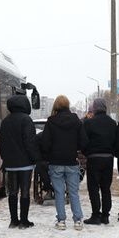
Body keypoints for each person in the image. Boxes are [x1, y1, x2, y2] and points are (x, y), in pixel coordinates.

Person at [40, 95, 88, 230]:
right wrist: (75, 147)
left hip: (55, 162)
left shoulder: (51, 121)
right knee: (73, 192)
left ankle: (61, 220)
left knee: (59, 192)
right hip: (71, 161)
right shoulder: (76, 121)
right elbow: (84, 141)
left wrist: (47, 155)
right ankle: (78, 219)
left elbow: (45, 143)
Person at [0, 94, 41, 228]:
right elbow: (30, 142)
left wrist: (5, 160)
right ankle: (24, 221)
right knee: (25, 191)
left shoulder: (5, 121)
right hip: (25, 164)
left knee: (13, 191)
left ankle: (13, 220)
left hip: (10, 164)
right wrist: (37, 158)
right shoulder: (26, 120)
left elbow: (1, 143)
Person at [82, 97, 117, 225]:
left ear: (95, 109)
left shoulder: (89, 123)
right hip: (108, 158)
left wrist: (87, 152)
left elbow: (84, 141)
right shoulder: (112, 123)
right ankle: (106, 215)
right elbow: (115, 140)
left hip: (94, 157)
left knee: (93, 187)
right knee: (106, 187)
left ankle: (96, 215)